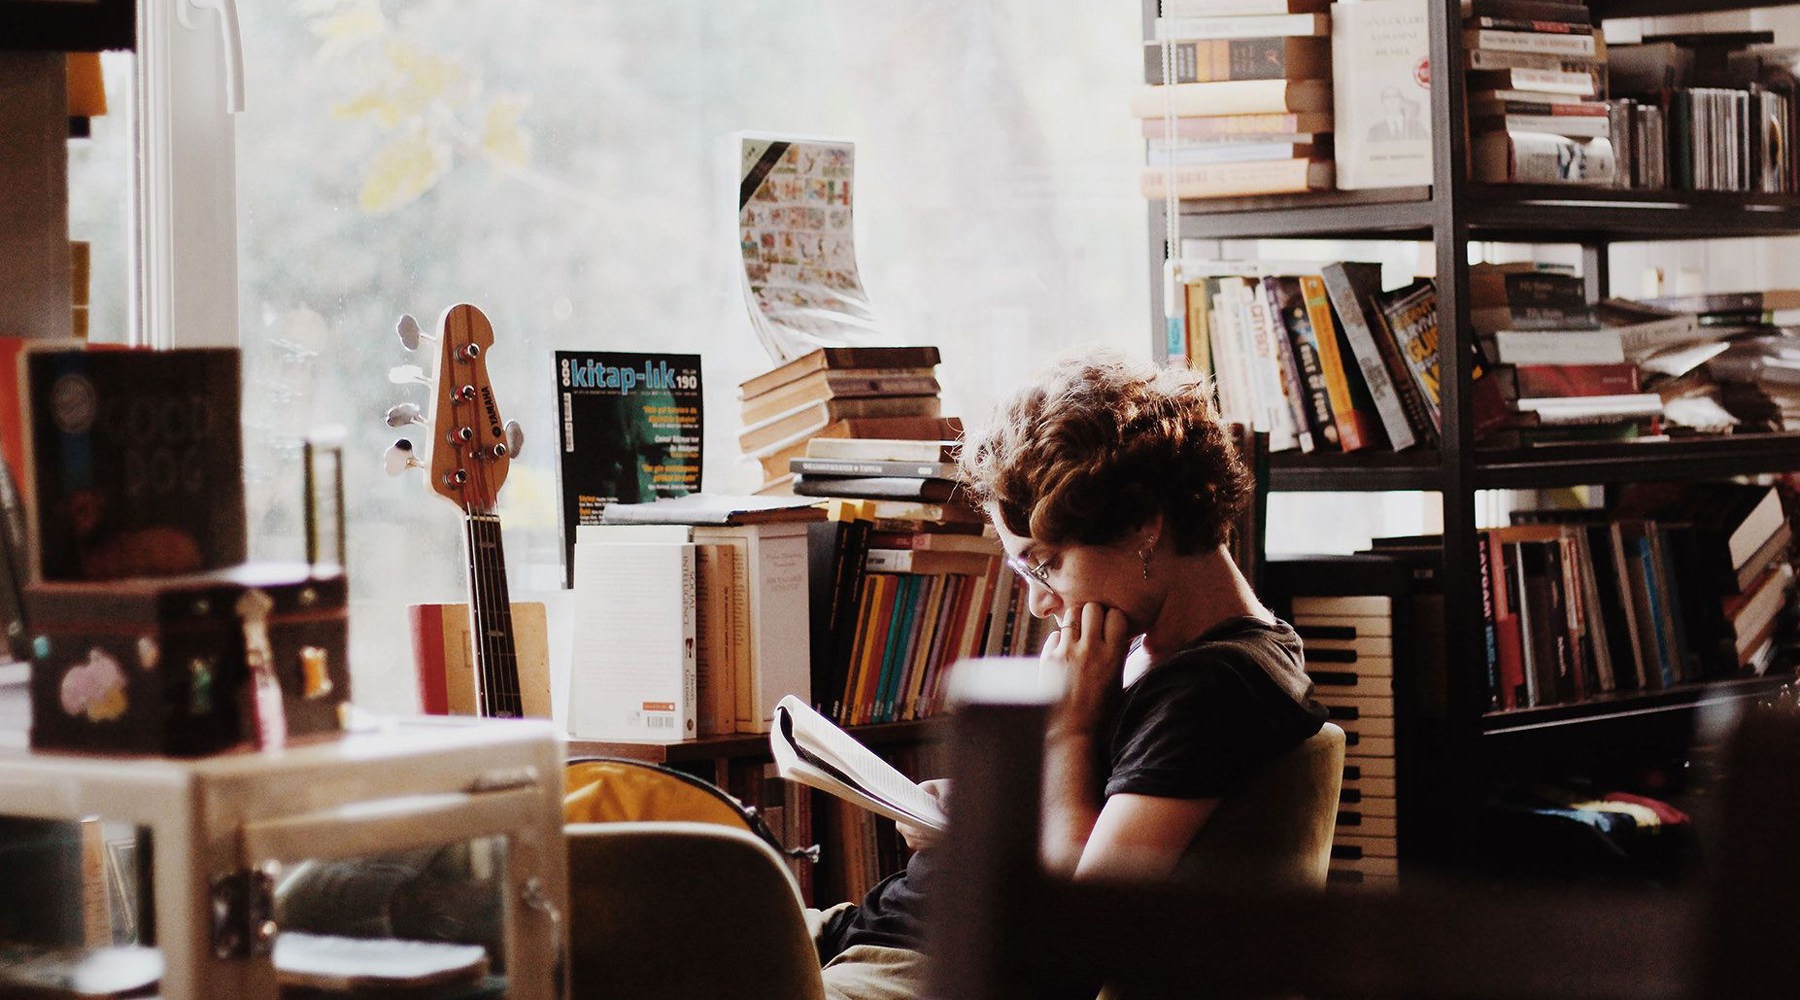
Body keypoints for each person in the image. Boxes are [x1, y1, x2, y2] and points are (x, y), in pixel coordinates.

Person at [810, 351, 1328, 1000]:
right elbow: (1086, 817)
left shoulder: (1214, 690)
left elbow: (1080, 931)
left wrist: (1068, 734)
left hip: (917, 968)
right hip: (878, 933)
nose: (1039, 601)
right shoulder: (1173, 657)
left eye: (1047, 563)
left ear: (1143, 526)